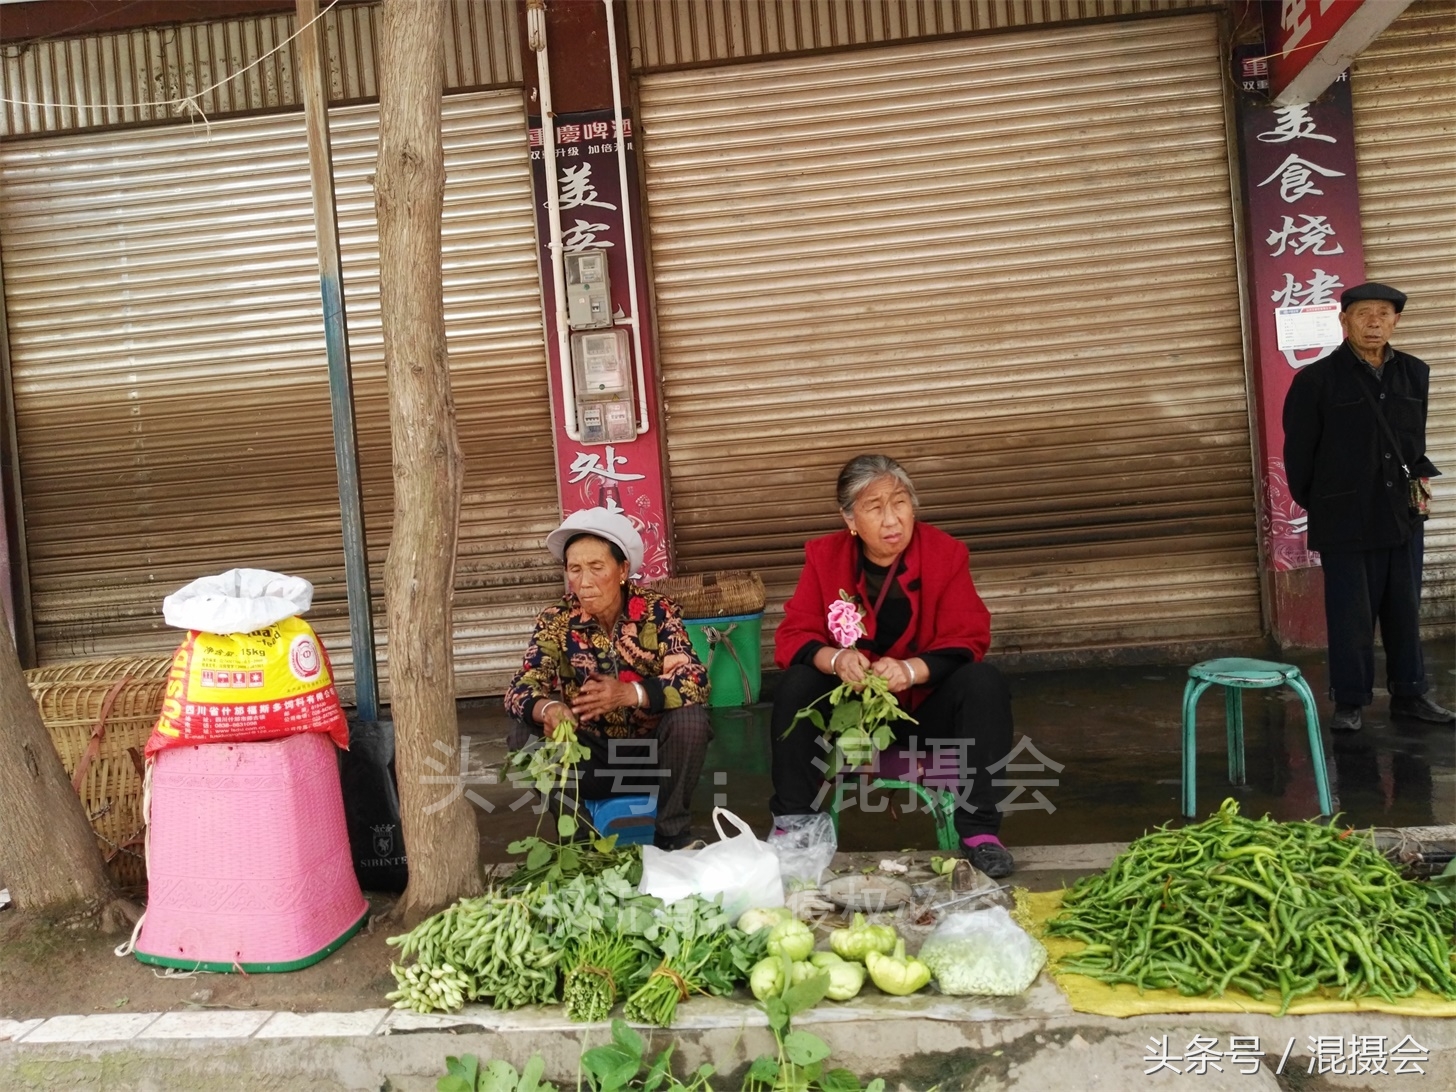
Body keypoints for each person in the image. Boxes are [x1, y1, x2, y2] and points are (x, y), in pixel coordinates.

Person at [769, 454, 1017, 878]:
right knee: (796, 684)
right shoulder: (825, 557)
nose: (892, 519)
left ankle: (980, 831)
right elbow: (794, 634)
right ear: (850, 519)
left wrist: (911, 670)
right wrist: (836, 659)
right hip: (851, 716)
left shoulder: (945, 554)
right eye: (874, 507)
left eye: (900, 503)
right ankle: (794, 826)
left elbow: (969, 635)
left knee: (983, 682)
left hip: (922, 710)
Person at [1282, 282, 1452, 733]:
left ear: (1396, 321)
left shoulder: (1415, 373)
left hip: (1401, 514)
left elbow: (1413, 443)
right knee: (1350, 613)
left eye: (1383, 313)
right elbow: (1299, 456)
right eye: (1363, 313)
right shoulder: (1315, 380)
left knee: (1403, 608)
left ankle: (1411, 694)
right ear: (1344, 321)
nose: (1374, 321)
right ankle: (1351, 701)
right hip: (1344, 518)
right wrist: (1327, 503)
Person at [504, 507, 712, 850]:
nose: (584, 582)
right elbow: (520, 688)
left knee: (691, 719)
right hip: (588, 760)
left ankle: (673, 836)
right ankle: (578, 840)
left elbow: (696, 680)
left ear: (623, 570)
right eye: (575, 569)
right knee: (521, 733)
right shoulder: (555, 620)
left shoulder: (659, 612)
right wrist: (548, 708)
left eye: (596, 568)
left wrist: (631, 693)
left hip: (653, 759)